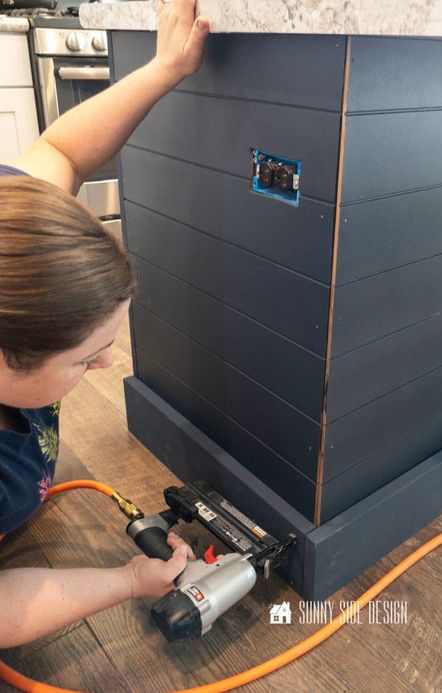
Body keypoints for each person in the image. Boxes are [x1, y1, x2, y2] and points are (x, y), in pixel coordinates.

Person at [0, 0, 210, 649]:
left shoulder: (13, 220)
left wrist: (165, 69)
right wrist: (124, 581)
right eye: (85, 355)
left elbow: (58, 150)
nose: (105, 367)